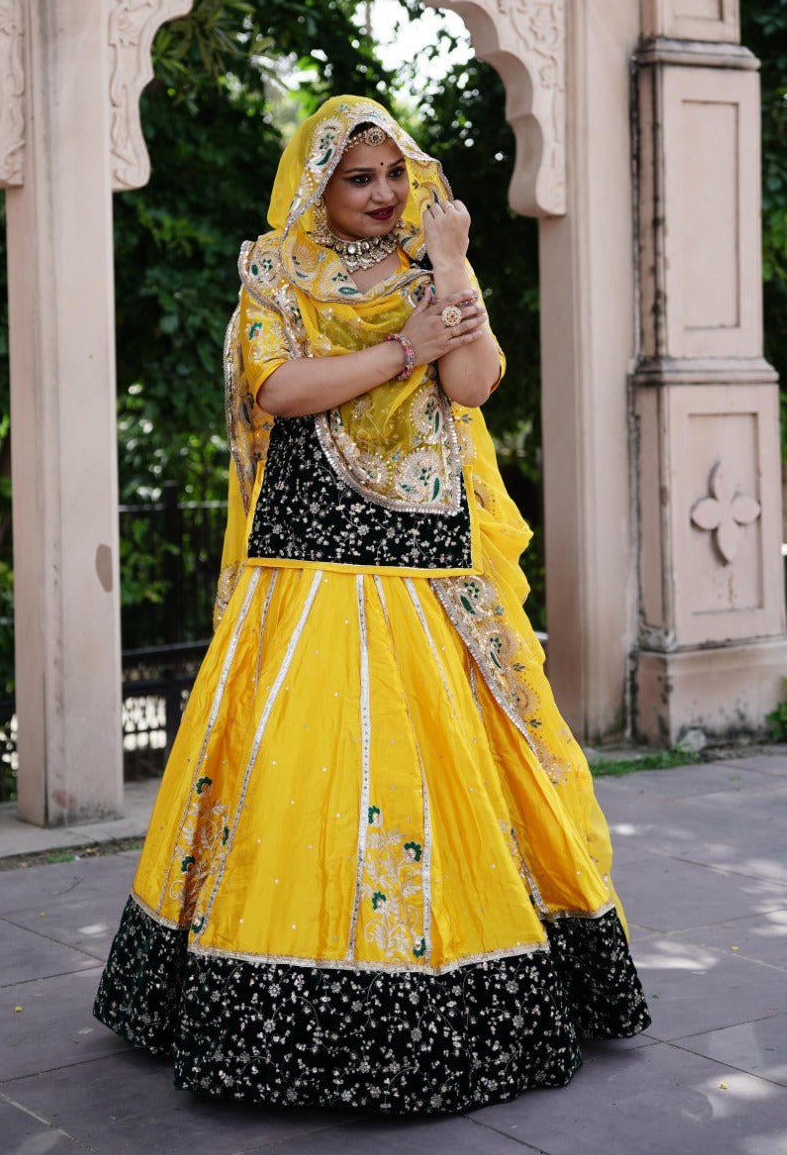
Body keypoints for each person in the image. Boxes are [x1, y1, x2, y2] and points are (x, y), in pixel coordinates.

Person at [94, 94, 649, 1115]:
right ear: (319, 184)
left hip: (426, 561)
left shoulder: (431, 269)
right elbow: (278, 391)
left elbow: (476, 385)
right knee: (298, 766)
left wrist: (450, 262)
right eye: (360, 179)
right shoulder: (276, 273)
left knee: (442, 759)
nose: (383, 194)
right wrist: (404, 350)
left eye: (395, 175)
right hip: (309, 564)